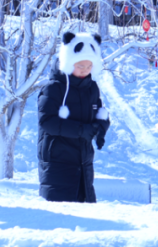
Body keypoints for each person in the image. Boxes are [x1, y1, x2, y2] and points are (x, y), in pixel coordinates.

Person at [37, 32, 110, 203]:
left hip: (84, 162)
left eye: (89, 66)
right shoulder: (53, 88)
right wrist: (82, 130)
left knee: (86, 212)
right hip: (57, 163)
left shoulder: (91, 88)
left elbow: (99, 112)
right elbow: (47, 122)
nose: (85, 70)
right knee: (60, 213)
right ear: (69, 62)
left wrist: (101, 128)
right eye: (80, 66)